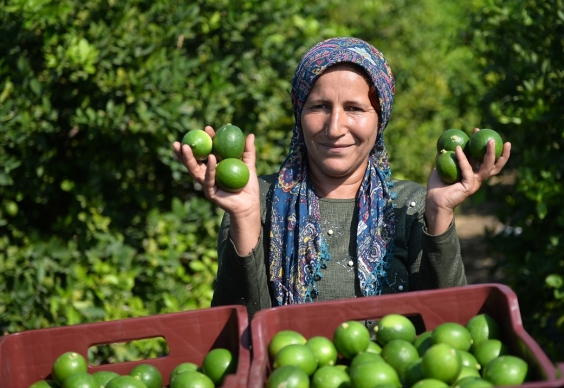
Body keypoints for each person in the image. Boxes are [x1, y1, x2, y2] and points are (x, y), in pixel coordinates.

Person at [173, 37, 511, 319]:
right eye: (319, 107)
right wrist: (244, 218)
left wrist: (439, 214)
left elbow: (450, 326)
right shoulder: (257, 200)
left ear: (381, 118)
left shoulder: (410, 207)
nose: (335, 128)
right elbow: (239, 335)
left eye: (355, 108)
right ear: (299, 115)